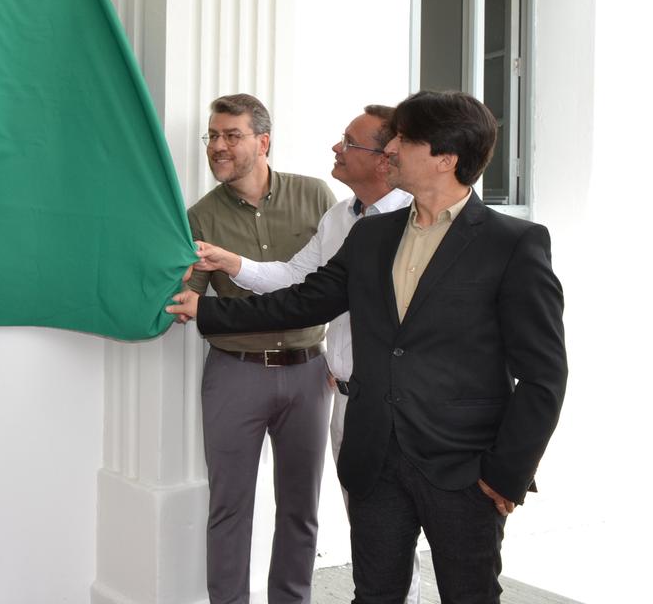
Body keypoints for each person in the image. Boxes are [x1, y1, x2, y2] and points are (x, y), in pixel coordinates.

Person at [170, 91, 568, 604]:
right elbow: (302, 301)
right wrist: (209, 310)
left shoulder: (514, 244)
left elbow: (543, 375)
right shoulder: (371, 234)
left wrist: (507, 475)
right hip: (375, 458)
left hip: (463, 470)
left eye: (405, 140)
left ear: (445, 158)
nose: (392, 150)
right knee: (375, 593)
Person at [193, 105, 419, 603]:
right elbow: (299, 281)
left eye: (231, 134)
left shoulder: (410, 219)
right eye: (211, 135)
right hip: (313, 387)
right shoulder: (341, 216)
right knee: (367, 521)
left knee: (386, 526)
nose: (336, 148)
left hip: (354, 389)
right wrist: (230, 265)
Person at [185, 94, 335, 604]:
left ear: (263, 141)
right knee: (229, 506)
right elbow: (188, 300)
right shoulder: (198, 216)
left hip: (309, 373)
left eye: (231, 135)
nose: (218, 146)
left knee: (301, 507)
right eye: (212, 136)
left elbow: (341, 280)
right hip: (235, 373)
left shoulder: (317, 196)